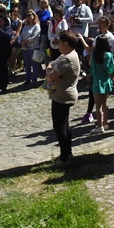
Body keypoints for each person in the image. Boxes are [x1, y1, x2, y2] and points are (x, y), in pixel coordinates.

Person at [45, 31, 81, 166]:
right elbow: (52, 65)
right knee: (65, 125)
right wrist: (51, 69)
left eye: (59, 42)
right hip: (60, 94)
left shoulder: (68, 58)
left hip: (63, 96)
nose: (57, 44)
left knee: (59, 127)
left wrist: (49, 71)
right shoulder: (65, 55)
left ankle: (65, 158)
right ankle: (67, 152)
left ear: (66, 43)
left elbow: (50, 75)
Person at [88, 36, 114, 134]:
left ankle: (100, 126)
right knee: (104, 103)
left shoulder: (95, 55)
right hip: (107, 80)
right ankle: (105, 123)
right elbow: (112, 68)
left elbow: (91, 65)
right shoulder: (109, 55)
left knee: (98, 105)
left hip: (98, 80)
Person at [20, 10, 41, 87]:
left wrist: (26, 41)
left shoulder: (36, 25)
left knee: (34, 64)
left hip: (33, 47)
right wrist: (22, 42)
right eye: (27, 15)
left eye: (30, 15)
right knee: (27, 64)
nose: (28, 17)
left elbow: (36, 36)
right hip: (25, 48)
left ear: (33, 16)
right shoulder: (25, 26)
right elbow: (21, 34)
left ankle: (34, 80)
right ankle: (27, 79)